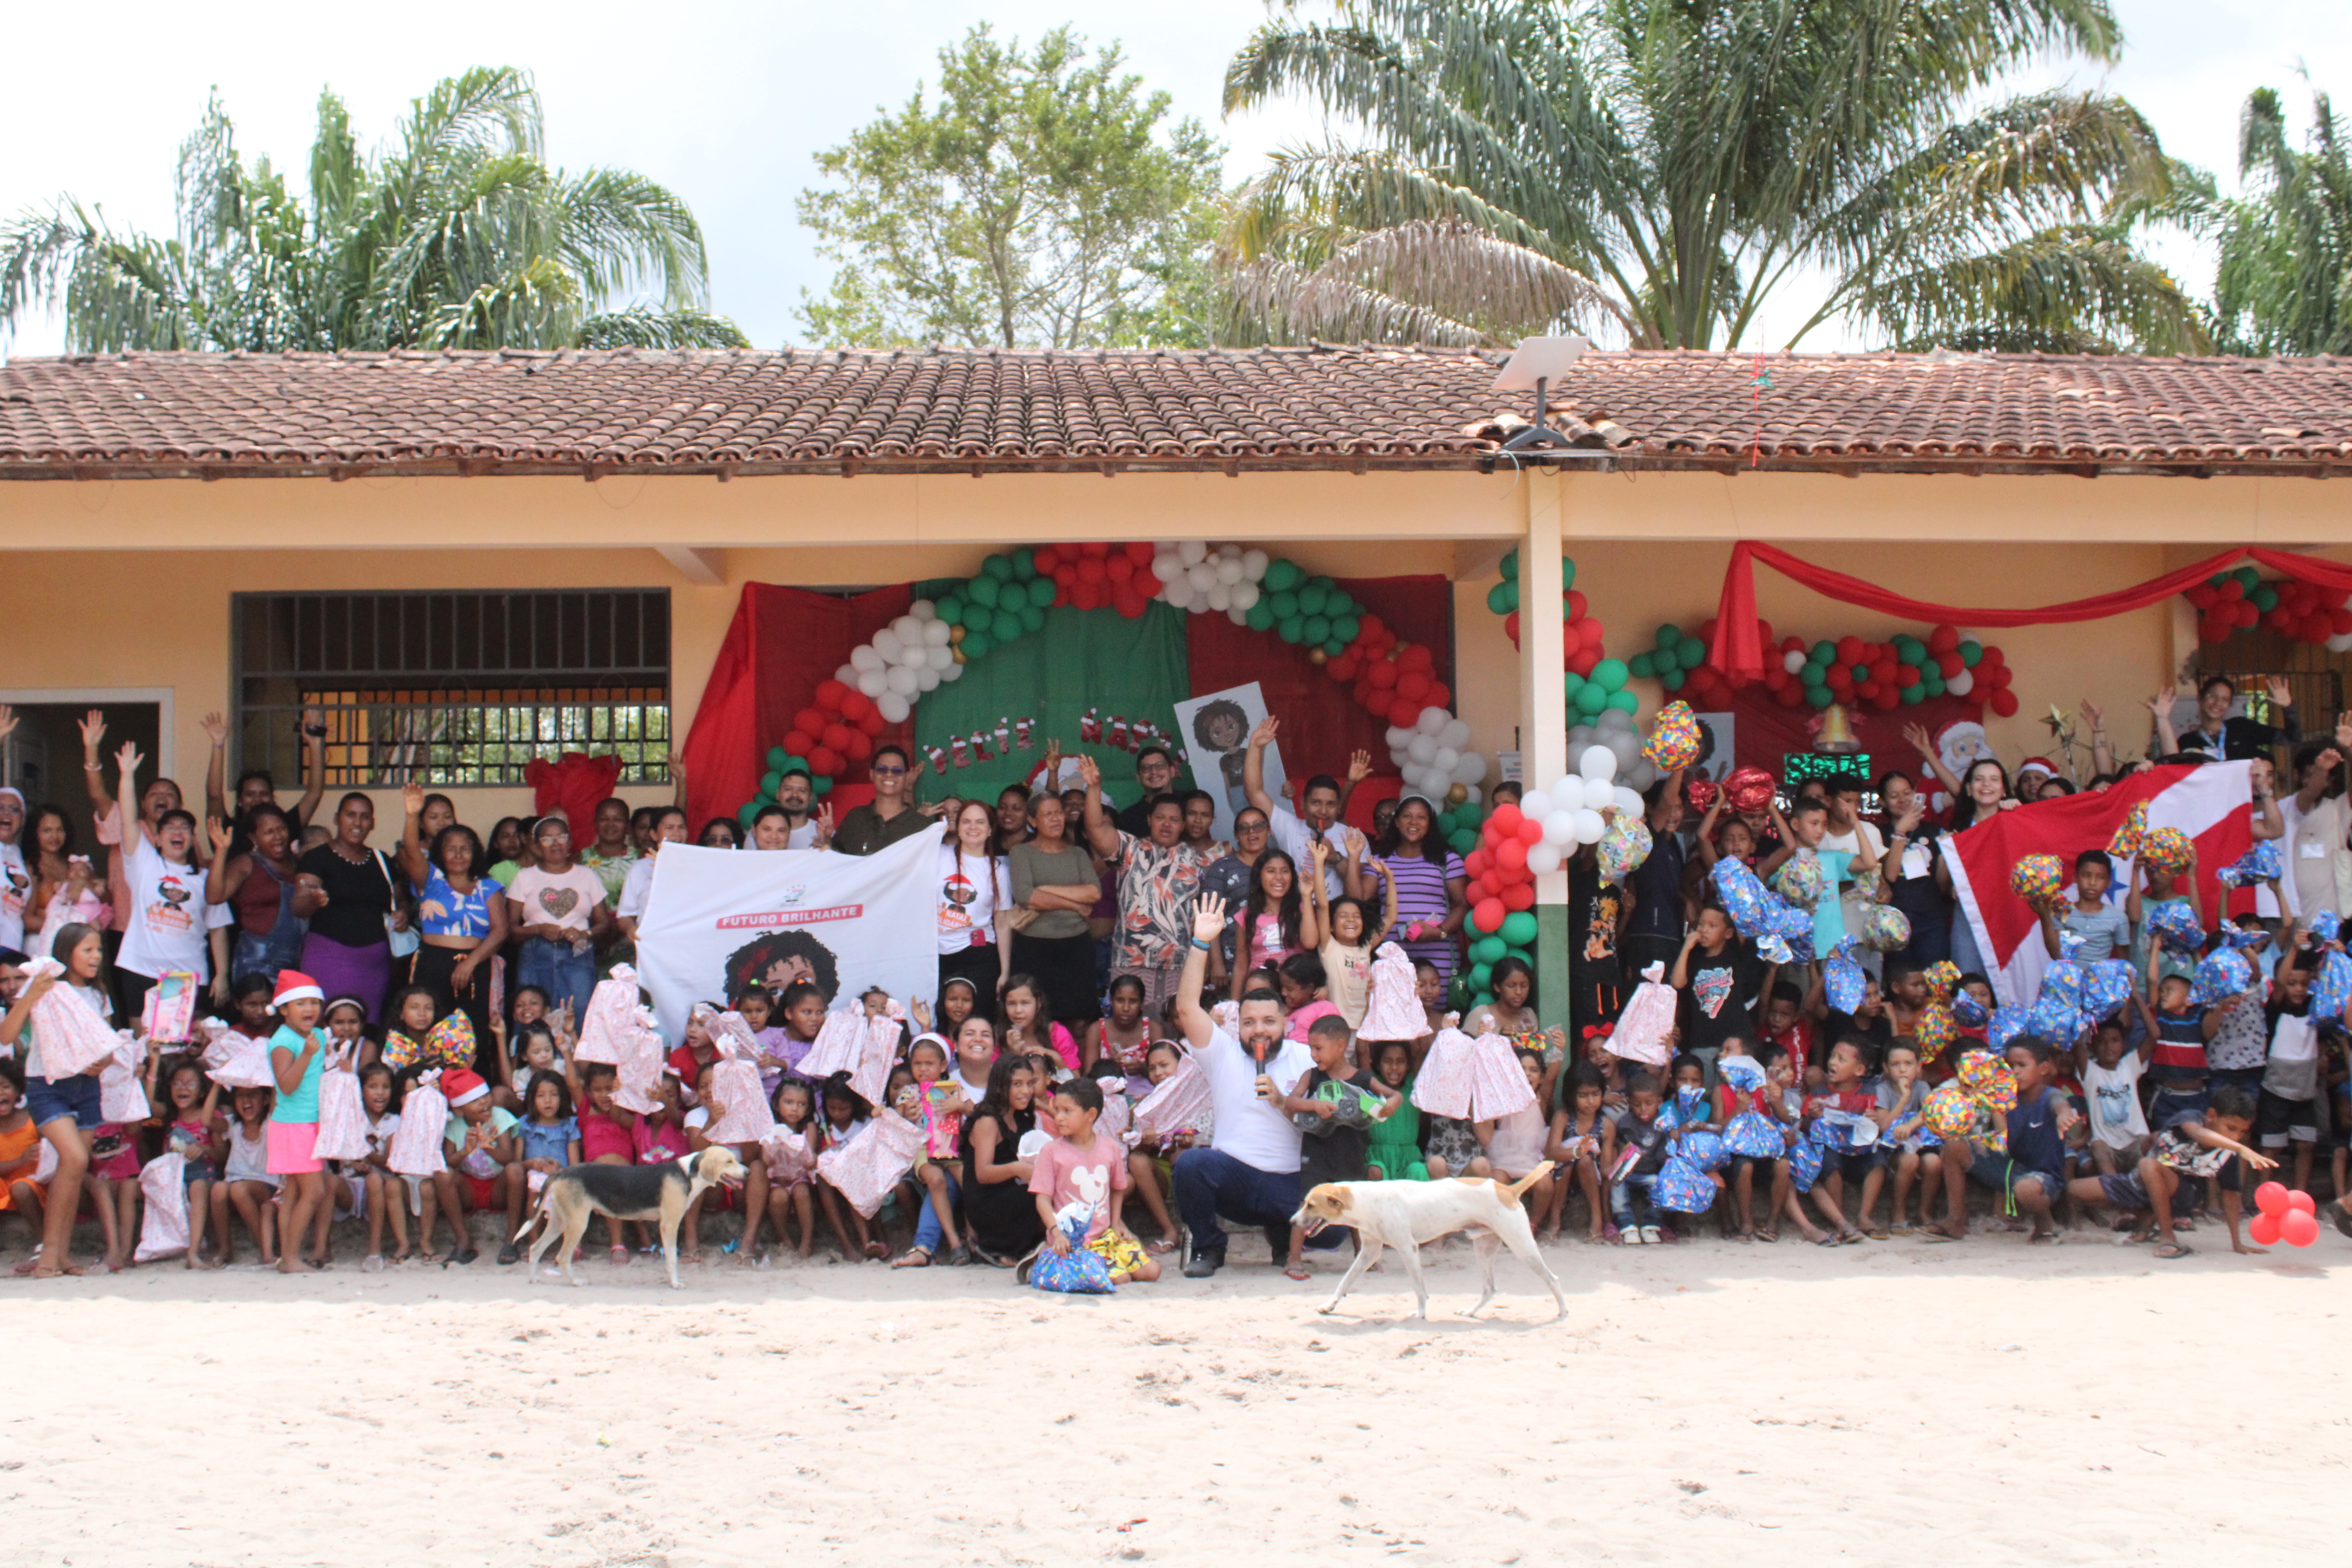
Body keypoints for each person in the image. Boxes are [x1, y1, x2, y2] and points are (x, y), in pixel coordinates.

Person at [1170, 892, 1315, 1278]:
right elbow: (1187, 1008)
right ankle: (1209, 1247)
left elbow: (1327, 1119)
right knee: (1191, 1165)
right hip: (1234, 1176)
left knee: (1331, 1234)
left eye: (1269, 1022)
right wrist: (1202, 942)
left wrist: (1284, 1103)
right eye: (1249, 1023)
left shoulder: (1307, 1058)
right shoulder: (1224, 1053)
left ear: (1286, 1024)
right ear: (1238, 1026)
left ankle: (1283, 1237)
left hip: (1289, 1180)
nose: (1259, 1031)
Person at [0, 922, 110, 1276]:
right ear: (67, 953)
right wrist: (31, 993)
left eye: (98, 950)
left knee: (73, 1168)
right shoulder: (46, 988)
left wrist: (104, 1061)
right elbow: (6, 1035)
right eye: (87, 950)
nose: (96, 956)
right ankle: (48, 1255)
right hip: (47, 1086)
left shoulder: (99, 996)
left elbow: (107, 1044)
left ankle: (60, 1255)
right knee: (75, 1157)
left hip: (87, 1086)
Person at [1077, 756, 1215, 1024]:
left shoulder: (1200, 861)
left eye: (1174, 819)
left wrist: (1209, 961)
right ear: (1149, 820)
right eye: (1160, 818)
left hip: (1180, 963)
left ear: (1183, 825)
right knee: (1131, 1031)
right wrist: (1094, 788)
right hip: (1131, 960)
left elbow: (1206, 916)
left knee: (1176, 1029)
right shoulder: (1130, 849)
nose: (1167, 824)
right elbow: (1095, 827)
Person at [107, 742, 234, 1018]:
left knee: (177, 1039)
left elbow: (218, 929)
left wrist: (222, 974)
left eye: (185, 828)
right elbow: (128, 820)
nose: (178, 832)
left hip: (184, 973)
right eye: (170, 827)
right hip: (140, 968)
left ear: (191, 838)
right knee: (144, 1040)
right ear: (158, 837)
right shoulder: (143, 863)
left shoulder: (205, 879)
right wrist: (126, 775)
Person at [1275, 1012, 1396, 1279]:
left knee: (1356, 1207)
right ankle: (1293, 1261)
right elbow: (1291, 1102)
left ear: (1341, 1046)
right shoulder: (1312, 1076)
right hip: (1316, 1152)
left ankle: (1364, 1258)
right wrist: (1314, 1105)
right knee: (1307, 1203)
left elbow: (1394, 1094)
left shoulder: (1362, 1079)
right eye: (1311, 1048)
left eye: (1318, 1048)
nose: (1313, 1055)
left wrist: (1392, 1104)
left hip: (1351, 1153)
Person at [1933, 1038, 2076, 1243]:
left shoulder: (2050, 1095)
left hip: (2044, 1178)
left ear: (2043, 1069)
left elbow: (2060, 1104)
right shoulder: (2006, 1097)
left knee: (2026, 1189)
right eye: (2010, 1066)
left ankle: (2044, 1223)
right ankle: (1955, 1221)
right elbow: (2002, 1133)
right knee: (1955, 1147)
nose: (2015, 1071)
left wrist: (2064, 1116)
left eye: (2022, 1065)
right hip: (2010, 1168)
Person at [396, 784, 505, 1046]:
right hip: (432, 963)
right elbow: (411, 849)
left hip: (475, 965)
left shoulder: (488, 887)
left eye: (465, 849)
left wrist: (470, 963)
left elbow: (501, 931)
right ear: (440, 853)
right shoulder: (431, 880)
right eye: (451, 849)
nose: (458, 855)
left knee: (472, 1033)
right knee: (428, 1029)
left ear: (475, 853)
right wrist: (412, 815)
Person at [1030, 1074, 1159, 1285]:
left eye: (1067, 1111)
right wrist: (1056, 1233)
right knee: (1122, 1278)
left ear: (1090, 1115)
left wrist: (1116, 1224)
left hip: (1106, 1237)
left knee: (1152, 1272)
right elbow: (1042, 1200)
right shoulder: (1051, 1152)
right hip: (1072, 1241)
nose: (1059, 1117)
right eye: (1057, 1110)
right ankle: (1048, 1252)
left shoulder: (1110, 1147)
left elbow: (1117, 1189)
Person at [292, 791, 399, 1023]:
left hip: (374, 964)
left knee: (367, 1027)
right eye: (350, 815)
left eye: (365, 817)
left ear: (373, 823)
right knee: (327, 1026)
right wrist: (312, 900)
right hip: (328, 958)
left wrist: (403, 914)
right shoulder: (317, 858)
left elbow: (399, 903)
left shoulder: (382, 860)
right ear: (337, 818)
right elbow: (298, 907)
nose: (357, 823)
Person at [1005, 788, 1103, 1032]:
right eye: (1048, 814)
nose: (1056, 819)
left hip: (1076, 946)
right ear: (1033, 821)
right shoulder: (1021, 852)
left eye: (1059, 812)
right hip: (1034, 947)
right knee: (1033, 1021)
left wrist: (1045, 889)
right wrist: (1074, 904)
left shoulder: (1078, 854)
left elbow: (1093, 893)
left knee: (1080, 1020)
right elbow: (1026, 896)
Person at [1240, 717, 1366, 901]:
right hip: (1295, 912)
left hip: (1335, 914)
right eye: (1316, 803)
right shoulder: (1289, 827)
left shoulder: (1354, 838)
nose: (1323, 811)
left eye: (1330, 804)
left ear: (1339, 807)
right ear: (1302, 804)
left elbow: (1360, 888)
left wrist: (1335, 858)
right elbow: (1254, 792)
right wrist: (1256, 747)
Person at [504, 815, 612, 1024]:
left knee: (579, 1011)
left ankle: (575, 1048)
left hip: (578, 951)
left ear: (570, 841)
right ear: (536, 845)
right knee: (533, 1014)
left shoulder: (586, 875)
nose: (555, 844)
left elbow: (604, 923)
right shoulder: (524, 877)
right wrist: (539, 929)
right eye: (547, 839)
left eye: (561, 837)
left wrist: (584, 934)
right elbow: (510, 929)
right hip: (535, 952)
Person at [263, 969, 336, 1275]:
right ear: (283, 1009)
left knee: (293, 1194)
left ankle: (288, 1257)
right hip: (293, 1126)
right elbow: (287, 1086)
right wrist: (306, 1055)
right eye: (300, 1003)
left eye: (314, 1002)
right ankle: (291, 1257)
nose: (310, 1009)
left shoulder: (317, 1035)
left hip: (311, 1122)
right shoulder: (282, 1042)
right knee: (315, 1192)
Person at [204, 801, 303, 986]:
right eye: (269, 832)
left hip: (295, 962)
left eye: (281, 829)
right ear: (253, 837)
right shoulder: (246, 863)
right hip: (256, 963)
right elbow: (215, 897)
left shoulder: (298, 863)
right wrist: (221, 851)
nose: (278, 837)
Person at [201, 706, 326, 855]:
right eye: (250, 794)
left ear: (272, 798)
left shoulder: (286, 826)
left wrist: (315, 744)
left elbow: (315, 792)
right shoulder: (227, 830)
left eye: (264, 793)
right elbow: (214, 795)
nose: (257, 799)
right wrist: (218, 743)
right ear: (240, 800)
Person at [961, 1052, 1043, 1266]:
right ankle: (993, 1247)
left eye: (1030, 1084)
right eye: (1017, 1084)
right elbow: (983, 1173)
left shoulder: (1021, 1118)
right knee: (1035, 1195)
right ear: (1000, 1086)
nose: (1026, 1091)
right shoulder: (988, 1121)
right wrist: (1017, 1169)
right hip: (987, 1201)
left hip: (1009, 1191)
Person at [1875, 762, 1952, 968]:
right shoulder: (1878, 834)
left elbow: (1943, 884)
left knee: (1934, 980)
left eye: (1907, 793)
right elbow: (1891, 875)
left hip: (1931, 920)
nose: (1902, 800)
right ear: (1882, 802)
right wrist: (1901, 831)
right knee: (1902, 981)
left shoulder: (1934, 831)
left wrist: (1949, 855)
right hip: (1894, 922)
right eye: (1894, 796)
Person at [936, 799, 1013, 998]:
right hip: (935, 953)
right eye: (966, 821)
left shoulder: (999, 870)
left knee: (979, 1014)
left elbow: (1002, 923)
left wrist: (1005, 971)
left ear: (990, 830)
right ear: (958, 827)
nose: (973, 827)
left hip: (978, 953)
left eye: (980, 822)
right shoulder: (938, 855)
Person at [1623, 777, 1689, 981]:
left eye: (1679, 808)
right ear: (1651, 809)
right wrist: (1680, 764)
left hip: (1670, 935)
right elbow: (1667, 801)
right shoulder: (1648, 836)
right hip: (1648, 935)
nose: (1673, 814)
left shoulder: (1674, 845)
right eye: (1669, 808)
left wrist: (1689, 900)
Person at [2150, 674, 2299, 763]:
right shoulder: (2188, 741)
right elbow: (2171, 766)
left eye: (2225, 699)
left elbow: (2292, 738)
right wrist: (2162, 718)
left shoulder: (2243, 728)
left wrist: (2288, 707)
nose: (2217, 703)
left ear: (2230, 704)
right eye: (2212, 696)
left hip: (2239, 802)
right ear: (2201, 698)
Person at [1199, 806, 1273, 976]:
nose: (1252, 832)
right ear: (1236, 835)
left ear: (1269, 831)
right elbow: (1211, 917)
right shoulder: (1222, 868)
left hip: (1274, 957)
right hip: (1231, 959)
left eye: (1259, 826)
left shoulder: (1280, 865)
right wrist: (1217, 964)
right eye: (1244, 828)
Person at [831, 747, 941, 855]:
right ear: (872, 775)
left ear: (906, 777)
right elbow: (835, 860)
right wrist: (826, 840)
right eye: (882, 770)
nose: (889, 775)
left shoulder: (923, 826)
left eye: (897, 771)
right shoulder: (855, 818)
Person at [2040, 848, 2131, 961]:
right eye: (2087, 876)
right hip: (2067, 972)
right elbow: (2056, 954)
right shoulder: (2062, 912)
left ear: (2109, 882)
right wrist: (2044, 915)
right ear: (2076, 877)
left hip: (2101, 973)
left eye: (2100, 877)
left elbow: (2123, 962)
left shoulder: (2118, 918)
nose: (2092, 883)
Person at [1112, 744, 1182, 838]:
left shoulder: (1190, 804)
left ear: (1172, 771)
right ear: (1138, 777)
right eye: (1146, 768)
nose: (1154, 772)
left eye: (1160, 766)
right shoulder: (1128, 818)